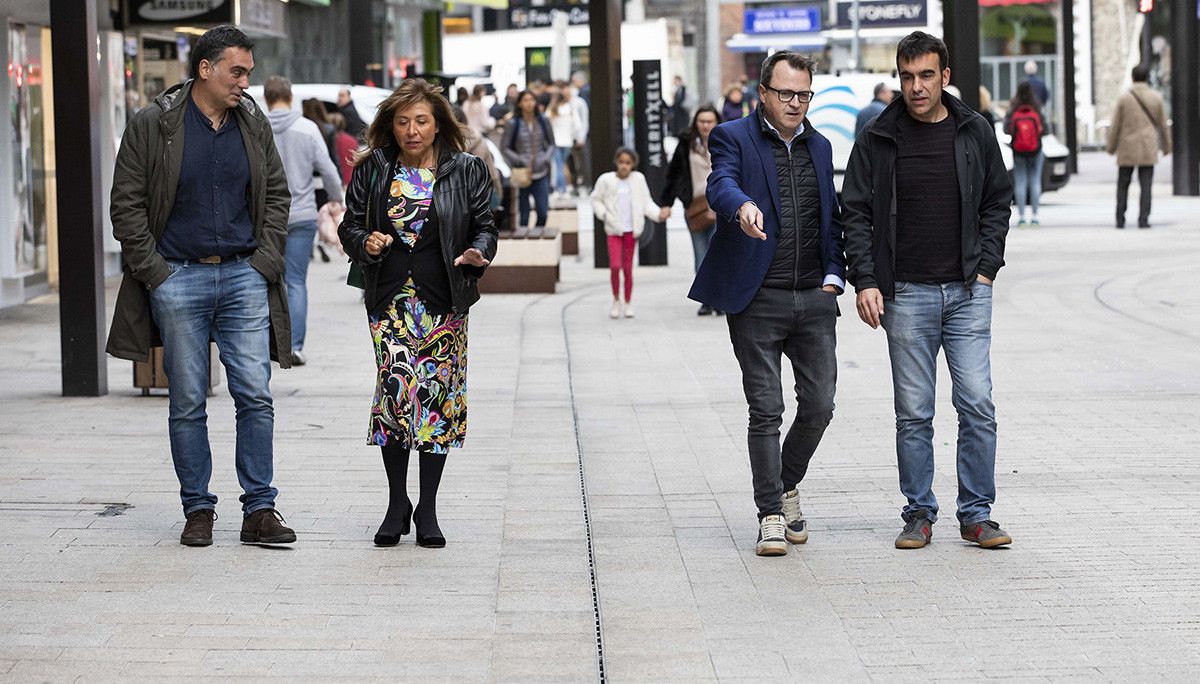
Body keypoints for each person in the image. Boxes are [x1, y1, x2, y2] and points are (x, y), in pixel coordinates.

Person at [106, 25, 295, 547]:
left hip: (243, 275)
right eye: (237, 71)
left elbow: (276, 195)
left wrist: (265, 261)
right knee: (187, 400)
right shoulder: (153, 124)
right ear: (205, 69)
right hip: (177, 277)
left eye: (249, 73)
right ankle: (198, 509)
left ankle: (260, 509)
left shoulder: (253, 123)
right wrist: (156, 273)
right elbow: (126, 204)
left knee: (255, 394)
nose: (245, 82)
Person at [842, 31, 1013, 550]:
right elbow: (854, 212)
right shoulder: (877, 136)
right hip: (906, 294)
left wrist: (986, 269)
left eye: (925, 76)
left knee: (977, 403)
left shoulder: (974, 130)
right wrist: (867, 280)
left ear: (944, 76)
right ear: (899, 78)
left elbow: (997, 201)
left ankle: (977, 514)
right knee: (914, 411)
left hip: (967, 290)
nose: (916, 87)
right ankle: (918, 512)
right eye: (907, 77)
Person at [689, 51, 847, 557]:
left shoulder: (820, 146)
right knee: (766, 409)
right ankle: (771, 513)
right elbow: (720, 184)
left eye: (803, 95)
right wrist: (741, 207)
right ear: (763, 94)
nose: (796, 104)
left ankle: (784, 482)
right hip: (757, 297)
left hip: (814, 297)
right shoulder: (733, 136)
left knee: (820, 406)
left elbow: (832, 213)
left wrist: (835, 274)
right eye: (786, 94)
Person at [337, 78, 498, 549]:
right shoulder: (373, 169)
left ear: (437, 124)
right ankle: (395, 503)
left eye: (421, 121)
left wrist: (478, 252)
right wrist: (364, 242)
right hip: (389, 299)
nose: (411, 130)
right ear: (391, 124)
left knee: (434, 398)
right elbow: (350, 224)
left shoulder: (466, 169)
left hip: (444, 298)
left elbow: (486, 226)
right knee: (393, 393)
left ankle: (427, 507)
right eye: (403, 121)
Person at [265, 76, 345, 366]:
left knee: (265, 282)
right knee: (296, 281)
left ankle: (265, 345)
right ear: (290, 97)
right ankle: (294, 346)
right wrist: (336, 199)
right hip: (301, 215)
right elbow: (329, 170)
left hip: (265, 220)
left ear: (266, 98)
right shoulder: (307, 129)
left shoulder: (256, 130)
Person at [591, 147, 667, 320]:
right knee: (615, 266)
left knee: (627, 268)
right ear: (616, 162)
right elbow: (596, 199)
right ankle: (616, 300)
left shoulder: (638, 180)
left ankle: (627, 302)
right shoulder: (606, 180)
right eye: (621, 162)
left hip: (631, 231)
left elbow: (646, 203)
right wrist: (604, 215)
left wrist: (658, 214)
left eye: (628, 163)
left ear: (633, 164)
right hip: (613, 229)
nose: (624, 166)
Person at [660, 105, 722, 314]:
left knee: (720, 252)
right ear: (696, 122)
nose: (705, 125)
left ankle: (719, 299)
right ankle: (706, 299)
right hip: (695, 206)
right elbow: (674, 173)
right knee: (701, 254)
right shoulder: (686, 143)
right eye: (701, 121)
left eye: (709, 121)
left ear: (716, 122)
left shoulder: (725, 141)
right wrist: (667, 202)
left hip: (721, 204)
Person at [1106, 64, 1171, 229]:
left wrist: (1111, 147)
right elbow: (1163, 125)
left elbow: (1115, 126)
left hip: (1126, 146)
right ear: (1147, 77)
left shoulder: (1124, 98)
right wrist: (1167, 146)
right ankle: (1144, 219)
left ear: (1132, 78)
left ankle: (1120, 218)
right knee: (1146, 184)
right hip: (1147, 147)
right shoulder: (1156, 97)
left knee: (1123, 184)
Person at [501, 90, 554, 228]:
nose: (529, 103)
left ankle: (537, 235)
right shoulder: (513, 123)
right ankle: (526, 242)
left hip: (541, 172)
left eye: (532, 99)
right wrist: (519, 159)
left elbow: (552, 144)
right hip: (522, 173)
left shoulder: (543, 120)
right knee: (523, 216)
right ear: (519, 103)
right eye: (525, 100)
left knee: (543, 212)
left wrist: (545, 158)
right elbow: (505, 148)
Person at [1004, 81, 1047, 227]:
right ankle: (1035, 216)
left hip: (1018, 151)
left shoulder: (1013, 107)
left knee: (1020, 182)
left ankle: (1022, 217)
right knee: (1035, 181)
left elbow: (1006, 129)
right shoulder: (1037, 106)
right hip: (1036, 150)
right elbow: (1045, 129)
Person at [547, 85, 583, 196]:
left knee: (558, 165)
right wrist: (572, 135)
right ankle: (562, 188)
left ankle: (560, 189)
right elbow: (577, 125)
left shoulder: (552, 110)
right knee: (561, 165)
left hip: (556, 141)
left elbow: (547, 124)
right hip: (567, 141)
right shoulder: (570, 108)